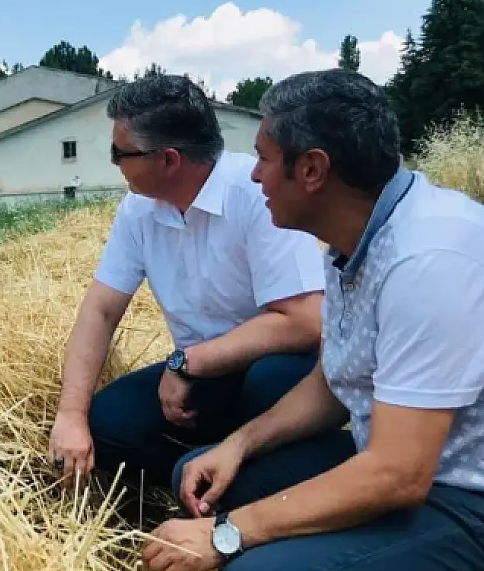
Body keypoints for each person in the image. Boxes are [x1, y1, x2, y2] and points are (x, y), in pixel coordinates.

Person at [141, 68, 484, 571]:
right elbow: (335, 380)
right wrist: (238, 445)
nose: (254, 175)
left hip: (474, 501)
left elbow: (399, 474)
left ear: (311, 169)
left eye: (264, 157)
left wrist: (228, 535)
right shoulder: (354, 241)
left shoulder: (429, 261)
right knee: (204, 475)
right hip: (406, 468)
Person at [47, 75, 326, 490]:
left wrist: (189, 362)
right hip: (199, 378)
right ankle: (207, 475)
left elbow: (305, 321)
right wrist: (71, 415)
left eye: (120, 153)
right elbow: (101, 309)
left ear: (169, 160)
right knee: (106, 424)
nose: (115, 163)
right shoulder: (138, 210)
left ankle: (253, 481)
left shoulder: (257, 194)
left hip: (271, 365)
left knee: (271, 380)